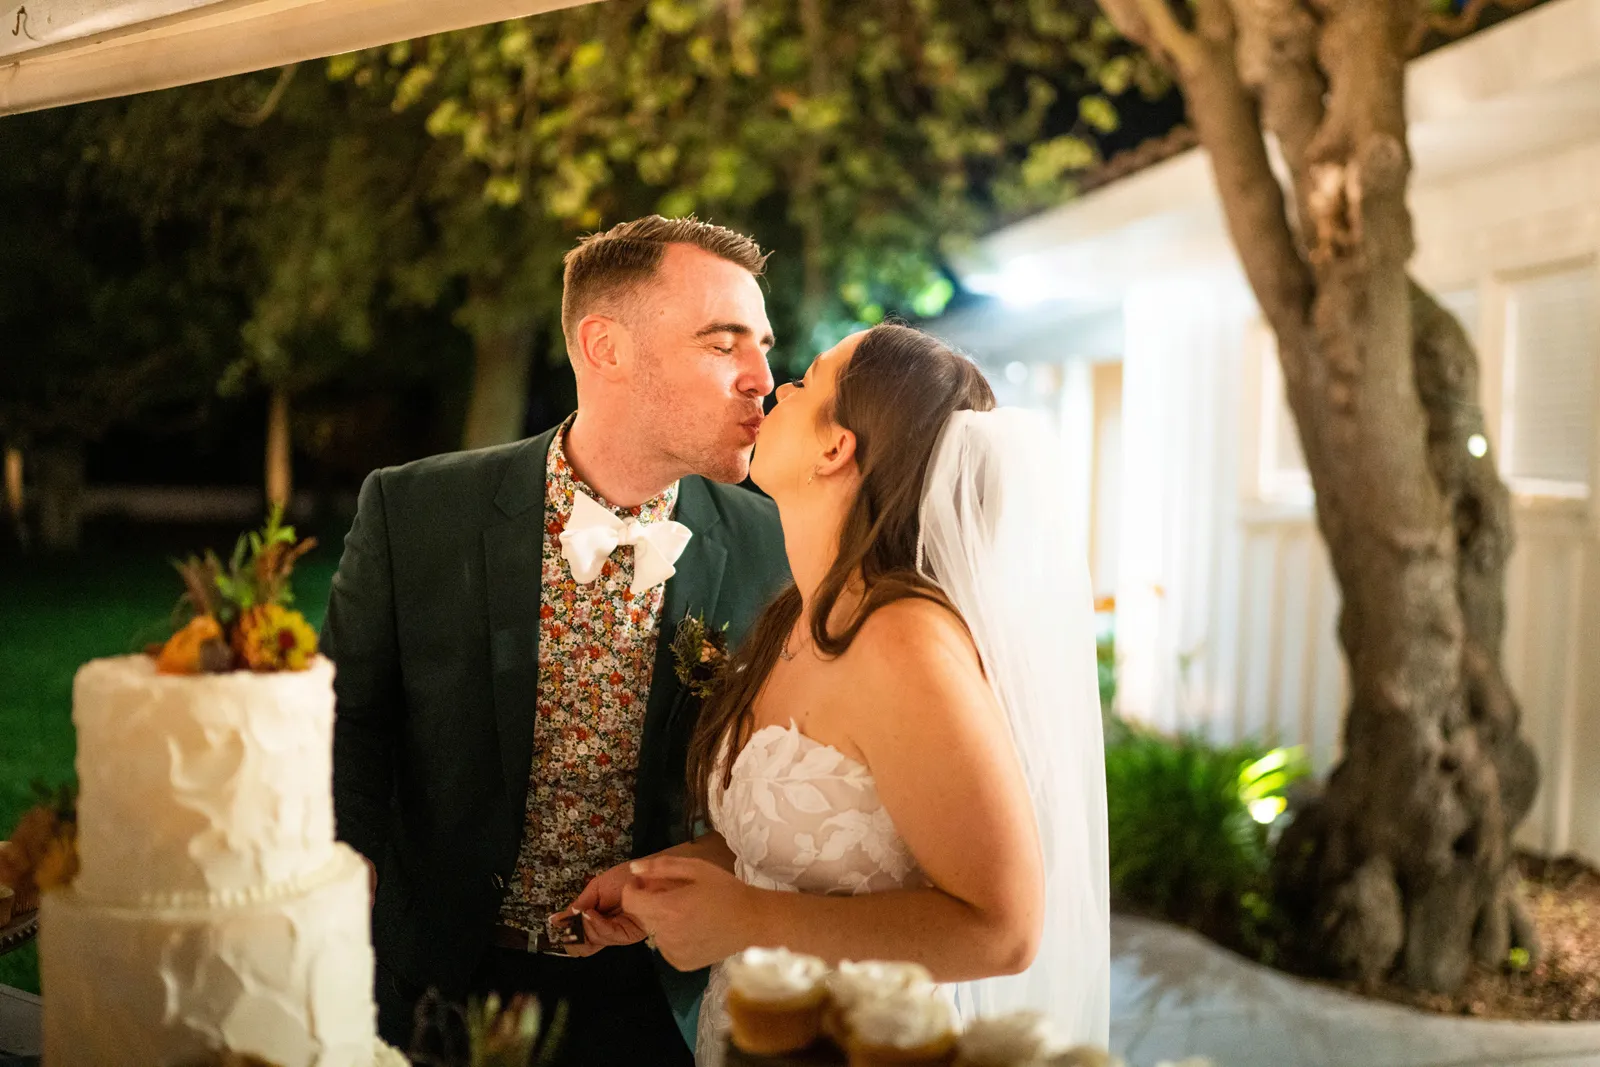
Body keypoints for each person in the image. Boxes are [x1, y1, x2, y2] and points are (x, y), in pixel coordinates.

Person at [562, 324, 1111, 1064]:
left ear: (835, 447)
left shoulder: (904, 643)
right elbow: (796, 849)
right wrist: (672, 880)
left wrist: (748, 919)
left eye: (807, 382)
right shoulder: (794, 615)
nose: (775, 387)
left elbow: (1002, 931)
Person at [322, 215, 792, 1064]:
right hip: (439, 982)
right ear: (605, 347)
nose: (763, 377)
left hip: (663, 999)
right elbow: (347, 721)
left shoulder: (778, 544)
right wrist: (343, 882)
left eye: (763, 344)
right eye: (725, 344)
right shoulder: (413, 511)